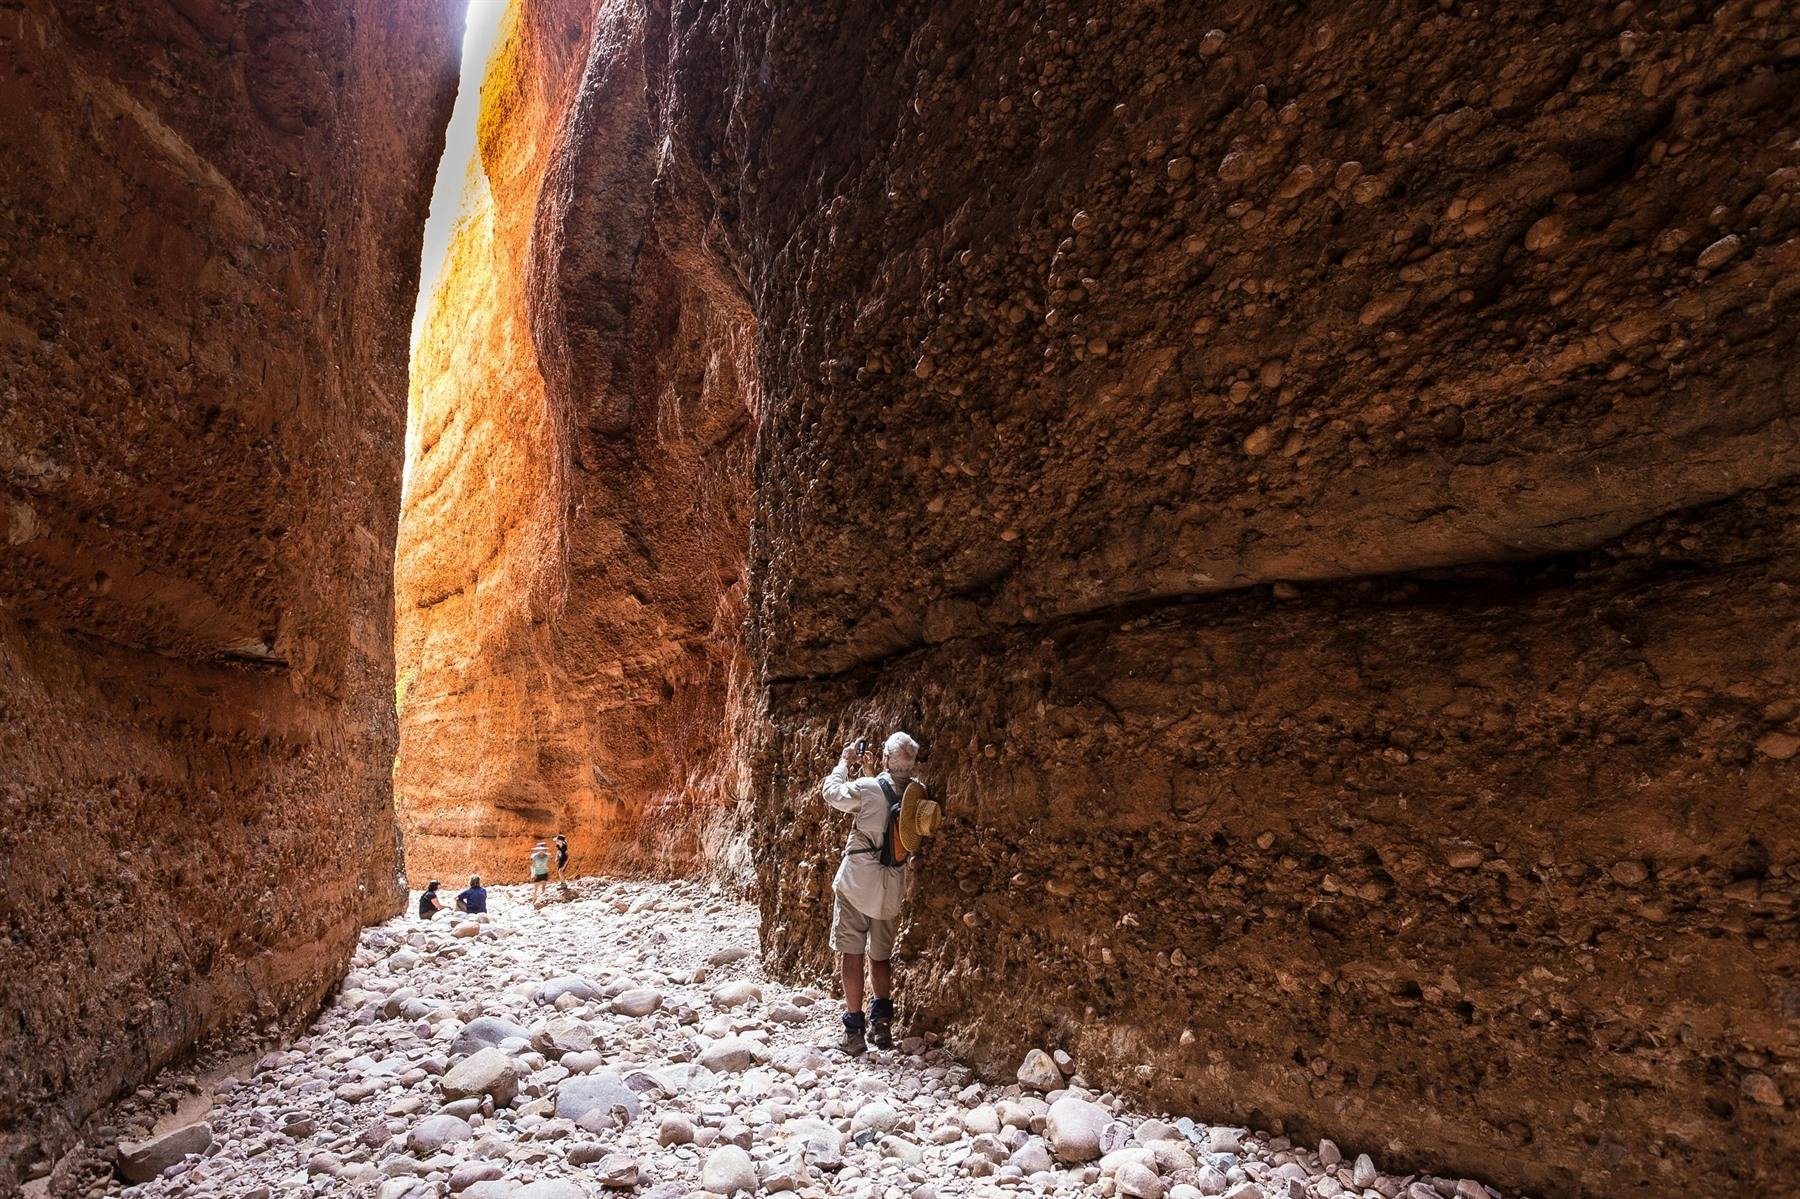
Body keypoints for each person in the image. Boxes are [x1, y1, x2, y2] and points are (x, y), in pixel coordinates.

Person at [821, 730, 926, 1055]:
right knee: (880, 957)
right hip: (891, 889)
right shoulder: (918, 793)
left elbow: (832, 794)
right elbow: (889, 809)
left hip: (857, 883)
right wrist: (870, 774)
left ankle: (854, 1032)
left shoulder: (867, 789)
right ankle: (882, 1027)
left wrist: (844, 762)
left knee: (852, 953)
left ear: (884, 759)